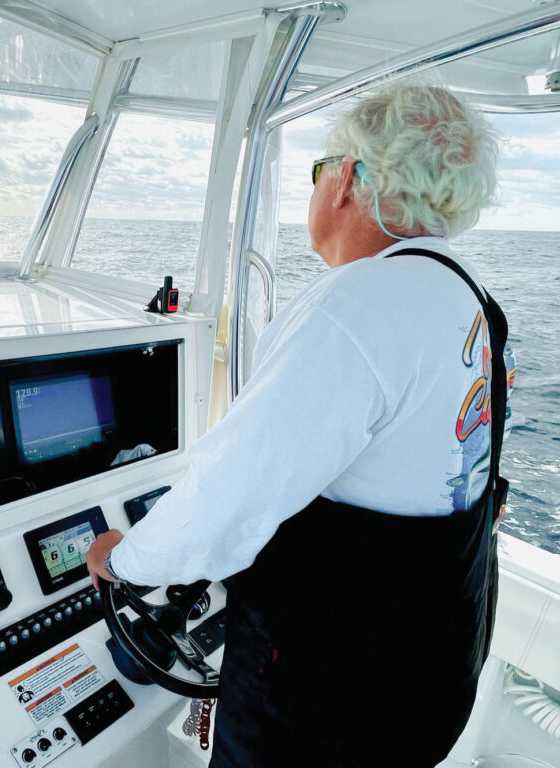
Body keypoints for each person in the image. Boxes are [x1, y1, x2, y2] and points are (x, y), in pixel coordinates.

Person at [87, 82, 515, 768]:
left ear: (347, 178)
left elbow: (224, 504)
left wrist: (124, 560)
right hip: (431, 677)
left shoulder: (357, 305)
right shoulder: (470, 299)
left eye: (320, 171)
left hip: (330, 708)